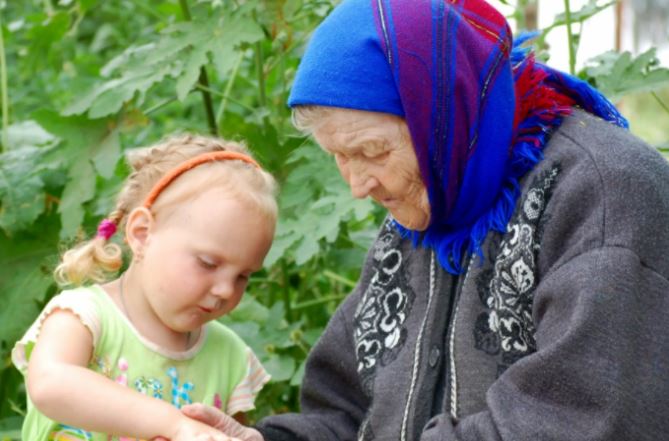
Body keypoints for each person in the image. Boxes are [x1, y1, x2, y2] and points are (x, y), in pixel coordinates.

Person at [182, 0, 669, 440]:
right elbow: (345, 411)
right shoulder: (428, 205)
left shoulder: (603, 194)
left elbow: (579, 419)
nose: (357, 185)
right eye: (339, 156)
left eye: (370, 152)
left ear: (443, 115)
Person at [11, 135, 278, 441]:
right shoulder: (84, 318)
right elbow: (50, 384)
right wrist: (173, 425)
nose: (226, 290)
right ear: (142, 234)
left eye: (243, 275)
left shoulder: (229, 355)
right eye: (208, 263)